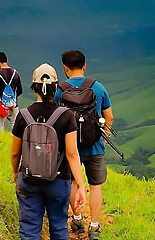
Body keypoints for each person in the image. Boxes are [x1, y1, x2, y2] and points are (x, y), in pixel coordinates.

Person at [11, 63, 86, 239]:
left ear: (34, 87)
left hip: (28, 178)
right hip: (58, 181)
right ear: (55, 87)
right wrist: (81, 185)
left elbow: (15, 152)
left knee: (29, 229)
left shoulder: (23, 115)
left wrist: (16, 172)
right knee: (59, 227)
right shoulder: (67, 116)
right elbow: (72, 154)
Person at [55, 50, 114, 240]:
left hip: (70, 148)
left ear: (65, 68)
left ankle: (77, 218)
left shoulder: (59, 90)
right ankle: (94, 226)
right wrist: (102, 136)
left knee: (73, 182)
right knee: (95, 186)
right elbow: (109, 117)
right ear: (85, 65)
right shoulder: (98, 87)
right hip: (95, 146)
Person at [0, 52, 23, 131]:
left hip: (1, 106)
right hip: (13, 106)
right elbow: (20, 90)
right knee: (15, 129)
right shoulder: (16, 74)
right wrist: (12, 99)